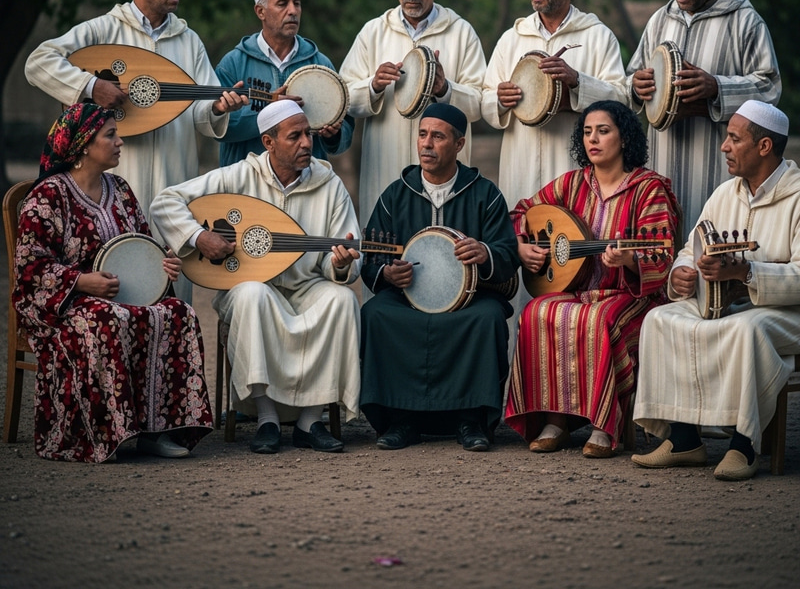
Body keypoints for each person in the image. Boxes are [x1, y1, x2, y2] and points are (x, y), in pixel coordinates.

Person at [25, 0, 247, 301]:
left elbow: (201, 114)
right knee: (120, 282)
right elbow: (38, 62)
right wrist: (91, 86)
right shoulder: (104, 29)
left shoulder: (188, 41)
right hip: (117, 177)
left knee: (171, 288)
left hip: (175, 175)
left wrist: (219, 108)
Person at [149, 100, 362, 455]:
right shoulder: (239, 176)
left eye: (308, 134)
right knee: (253, 293)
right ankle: (267, 419)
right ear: (268, 142)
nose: (307, 143)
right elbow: (165, 202)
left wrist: (339, 264)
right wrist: (198, 237)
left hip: (306, 286)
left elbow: (340, 258)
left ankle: (310, 421)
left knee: (342, 300)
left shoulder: (329, 184)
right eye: (295, 136)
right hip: (250, 285)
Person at [12, 103, 213, 463]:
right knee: (105, 319)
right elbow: (30, 268)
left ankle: (157, 431)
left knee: (178, 312)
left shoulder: (119, 189)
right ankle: (105, 434)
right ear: (84, 145)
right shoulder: (47, 197)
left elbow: (142, 245)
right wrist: (81, 281)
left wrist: (162, 263)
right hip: (65, 303)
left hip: (121, 297)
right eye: (110, 135)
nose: (120, 141)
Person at [631, 100, 800, 481]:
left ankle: (745, 445)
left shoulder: (798, 195)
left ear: (764, 146)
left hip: (786, 313)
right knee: (659, 319)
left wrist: (747, 272)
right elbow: (691, 248)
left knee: (747, 329)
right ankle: (683, 441)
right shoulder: (726, 193)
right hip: (725, 305)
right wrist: (682, 273)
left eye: (734, 139)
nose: (724, 146)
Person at [505, 100, 679, 458]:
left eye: (603, 131)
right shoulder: (572, 183)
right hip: (577, 289)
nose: (593, 140)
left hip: (630, 297)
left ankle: (604, 424)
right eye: (587, 132)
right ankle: (555, 421)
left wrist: (630, 260)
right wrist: (522, 246)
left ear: (624, 138)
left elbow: (661, 253)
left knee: (600, 320)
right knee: (537, 311)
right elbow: (521, 211)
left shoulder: (648, 188)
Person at [359, 103, 519, 451]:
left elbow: (507, 253)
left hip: (470, 299)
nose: (426, 144)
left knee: (488, 317)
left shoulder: (484, 193)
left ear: (459, 144)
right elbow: (371, 257)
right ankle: (401, 420)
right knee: (376, 313)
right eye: (422, 134)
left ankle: (471, 420)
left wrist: (484, 253)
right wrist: (387, 273)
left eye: (437, 136)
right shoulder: (396, 194)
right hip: (407, 298)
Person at [627, 0, 781, 234]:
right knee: (664, 246)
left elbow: (770, 87)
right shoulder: (659, 20)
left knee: (712, 246)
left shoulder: (745, 21)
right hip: (662, 162)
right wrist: (636, 85)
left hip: (717, 171)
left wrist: (716, 87)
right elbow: (633, 75)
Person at [339, 0, 485, 222]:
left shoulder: (461, 32)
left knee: (442, 236)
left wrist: (444, 89)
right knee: (385, 238)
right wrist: (373, 86)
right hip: (385, 164)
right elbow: (342, 97)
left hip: (444, 173)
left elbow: (479, 105)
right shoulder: (374, 31)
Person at [481, 0, 628, 215]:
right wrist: (500, 100)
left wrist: (577, 81)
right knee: (521, 231)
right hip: (520, 166)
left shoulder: (597, 36)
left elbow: (621, 99)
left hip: (573, 169)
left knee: (573, 233)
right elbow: (486, 100)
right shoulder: (512, 38)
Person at [214, 0, 354, 166]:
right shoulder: (233, 64)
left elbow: (345, 132)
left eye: (297, 3)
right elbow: (218, 128)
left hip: (306, 179)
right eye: (282, 4)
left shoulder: (320, 64)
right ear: (260, 11)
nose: (293, 11)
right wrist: (271, 113)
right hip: (247, 180)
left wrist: (334, 135)